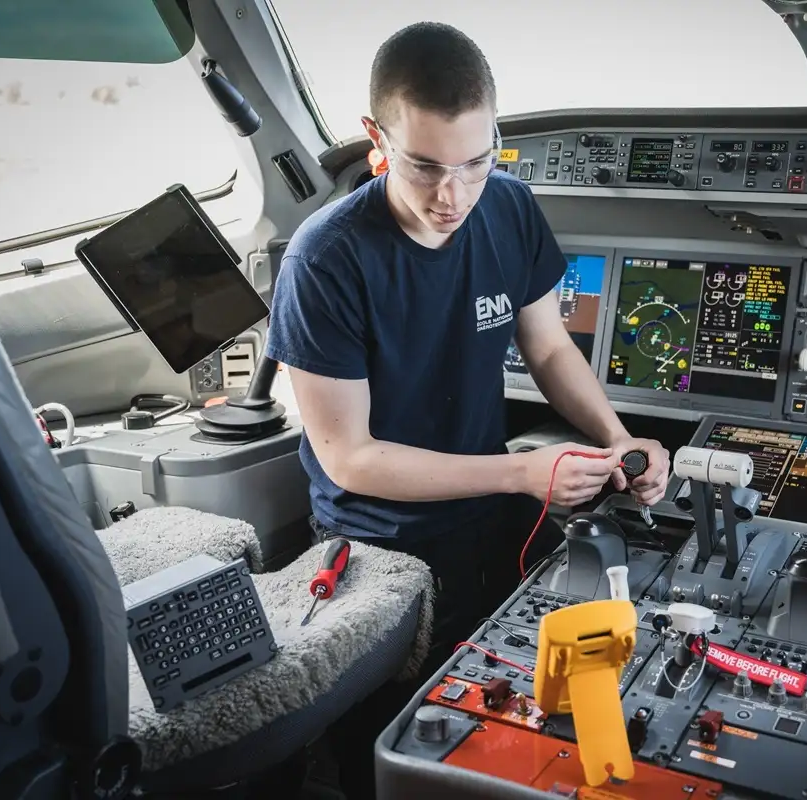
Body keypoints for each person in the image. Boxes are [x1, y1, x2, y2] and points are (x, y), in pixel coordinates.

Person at [265, 21, 670, 795]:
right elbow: (352, 458)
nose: (451, 196)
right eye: (424, 167)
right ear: (376, 139)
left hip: (490, 519)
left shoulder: (509, 208)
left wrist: (620, 439)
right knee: (394, 755)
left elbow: (549, 348)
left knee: (517, 724)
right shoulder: (325, 259)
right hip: (383, 545)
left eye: (476, 163)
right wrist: (521, 472)